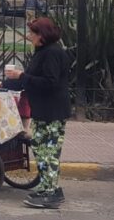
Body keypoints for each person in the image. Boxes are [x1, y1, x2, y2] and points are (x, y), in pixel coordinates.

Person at [4, 17, 72, 209]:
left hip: (53, 112)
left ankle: (51, 193)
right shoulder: (42, 52)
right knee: (40, 148)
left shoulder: (53, 54)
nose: (29, 36)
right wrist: (4, 83)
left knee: (49, 152)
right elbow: (30, 79)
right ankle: (47, 186)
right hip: (42, 111)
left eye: (32, 33)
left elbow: (50, 82)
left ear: (41, 35)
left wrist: (22, 76)